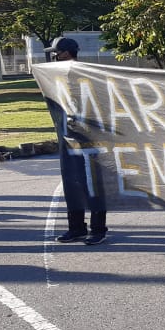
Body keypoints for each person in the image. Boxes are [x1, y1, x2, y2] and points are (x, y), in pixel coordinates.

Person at [46, 37, 109, 246]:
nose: (54, 55)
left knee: (94, 184)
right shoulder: (55, 74)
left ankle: (98, 229)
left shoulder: (86, 72)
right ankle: (76, 227)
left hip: (91, 137)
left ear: (66, 52)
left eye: (57, 52)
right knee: (72, 182)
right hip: (69, 137)